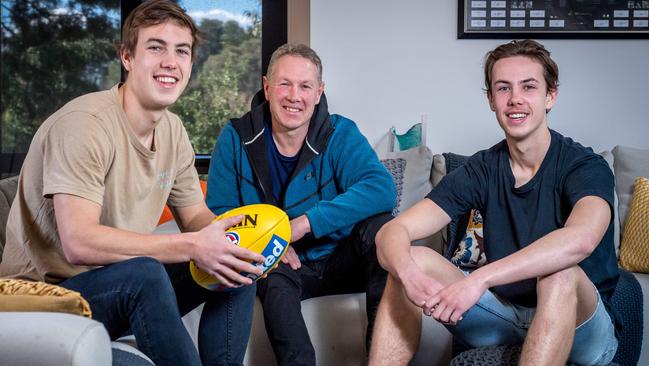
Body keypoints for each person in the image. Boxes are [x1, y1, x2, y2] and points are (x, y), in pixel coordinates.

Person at [0, 1, 266, 365]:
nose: (170, 61)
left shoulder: (173, 131)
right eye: (156, 47)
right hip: (47, 297)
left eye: (181, 51)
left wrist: (243, 240)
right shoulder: (85, 123)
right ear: (127, 57)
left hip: (115, 286)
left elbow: (198, 218)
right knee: (146, 273)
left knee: (235, 264)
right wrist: (192, 246)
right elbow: (78, 242)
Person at [369, 39, 620, 366]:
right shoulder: (483, 168)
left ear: (550, 96)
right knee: (411, 258)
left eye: (528, 86)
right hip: (506, 319)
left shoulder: (584, 165)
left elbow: (581, 239)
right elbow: (394, 231)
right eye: (503, 88)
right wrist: (408, 274)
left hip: (582, 328)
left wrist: (480, 279)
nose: (515, 98)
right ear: (490, 99)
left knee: (560, 275)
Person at [206, 43, 396, 365]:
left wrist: (303, 224)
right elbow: (218, 213)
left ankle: (380, 359)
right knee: (272, 275)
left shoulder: (339, 132)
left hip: (341, 258)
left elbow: (381, 188)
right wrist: (272, 241)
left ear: (319, 93)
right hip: (284, 267)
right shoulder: (236, 137)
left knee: (382, 230)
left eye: (305, 86)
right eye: (285, 84)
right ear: (267, 87)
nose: (295, 96)